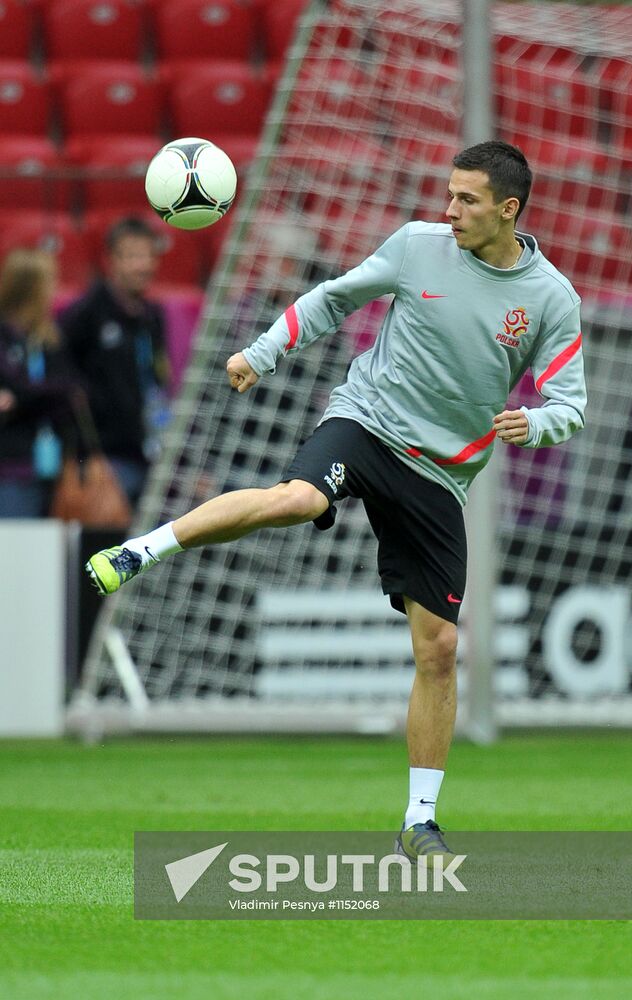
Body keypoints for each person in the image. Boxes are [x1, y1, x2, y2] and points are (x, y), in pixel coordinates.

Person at [85, 141, 587, 861]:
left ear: (509, 210)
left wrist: (534, 421)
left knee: (439, 650)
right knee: (293, 498)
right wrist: (260, 353)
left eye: (467, 200)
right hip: (366, 422)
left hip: (442, 475)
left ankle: (419, 822)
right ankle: (143, 549)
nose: (449, 211)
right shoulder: (418, 246)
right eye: (448, 194)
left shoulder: (550, 298)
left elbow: (570, 403)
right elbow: (334, 297)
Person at [59, 216, 170, 509]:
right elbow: (62, 376)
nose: (143, 265)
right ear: (112, 261)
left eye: (149, 256)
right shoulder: (86, 313)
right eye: (133, 256)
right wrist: (85, 448)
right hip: (106, 459)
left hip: (150, 452)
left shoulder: (152, 316)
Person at [0, 248, 87, 517]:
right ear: (29, 288)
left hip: (53, 462)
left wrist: (22, 398)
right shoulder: (4, 336)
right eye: (48, 282)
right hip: (13, 464)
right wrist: (37, 394)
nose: (53, 290)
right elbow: (24, 386)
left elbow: (72, 388)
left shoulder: (49, 337)